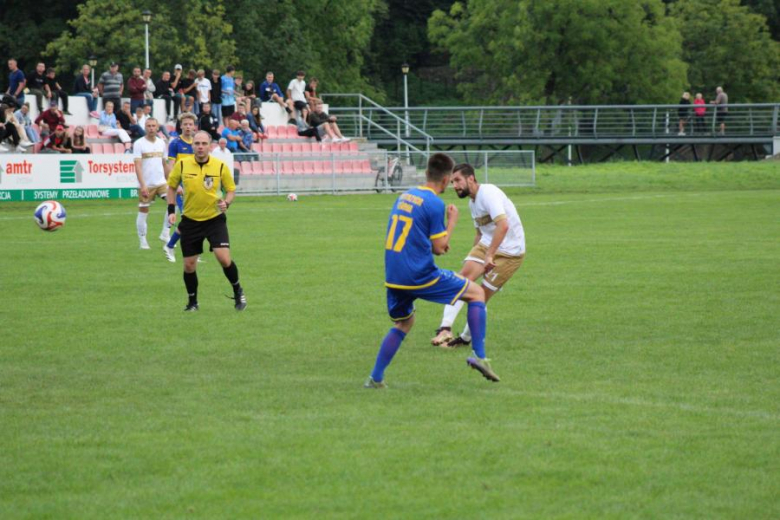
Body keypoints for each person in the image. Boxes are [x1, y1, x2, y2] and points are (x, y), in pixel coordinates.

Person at [365, 153, 498, 389]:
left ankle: (375, 378)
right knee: (476, 293)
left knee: (404, 323)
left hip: (394, 276)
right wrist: (453, 221)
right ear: (446, 180)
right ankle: (480, 357)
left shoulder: (405, 195)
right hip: (419, 274)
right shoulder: (434, 203)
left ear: (427, 173)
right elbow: (439, 248)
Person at [431, 163, 526, 350]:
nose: (454, 186)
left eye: (457, 180)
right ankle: (445, 328)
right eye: (452, 182)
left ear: (471, 178)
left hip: (511, 252)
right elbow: (480, 233)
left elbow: (503, 225)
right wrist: (473, 255)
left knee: (479, 296)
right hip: (487, 244)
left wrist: (489, 255)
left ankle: (465, 338)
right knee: (460, 281)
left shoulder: (488, 193)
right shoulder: (472, 202)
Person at [165, 130, 246, 311]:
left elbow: (231, 190)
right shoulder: (183, 165)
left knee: (223, 258)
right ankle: (193, 302)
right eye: (197, 143)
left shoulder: (219, 166)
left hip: (214, 219)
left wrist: (226, 202)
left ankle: (238, 290)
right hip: (190, 220)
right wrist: (171, 210)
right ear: (192, 145)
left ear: (210, 146)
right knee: (189, 265)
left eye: (204, 143)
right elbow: (171, 188)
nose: (200, 147)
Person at [163, 112, 197, 262]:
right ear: (181, 126)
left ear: (194, 126)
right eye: (185, 124)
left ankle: (173, 246)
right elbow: (171, 167)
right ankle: (171, 246)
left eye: (190, 124)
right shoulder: (175, 144)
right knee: (189, 219)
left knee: (195, 219)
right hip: (181, 186)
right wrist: (176, 185)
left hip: (195, 186)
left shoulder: (197, 143)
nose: (188, 127)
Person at [133, 117, 171, 250]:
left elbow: (164, 164)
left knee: (173, 202)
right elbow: (137, 166)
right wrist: (142, 185)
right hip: (146, 184)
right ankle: (142, 240)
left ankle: (165, 233)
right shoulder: (139, 143)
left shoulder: (161, 143)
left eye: (153, 126)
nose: (151, 128)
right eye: (148, 126)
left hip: (161, 182)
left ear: (157, 127)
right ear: (145, 127)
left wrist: (172, 182)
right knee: (144, 210)